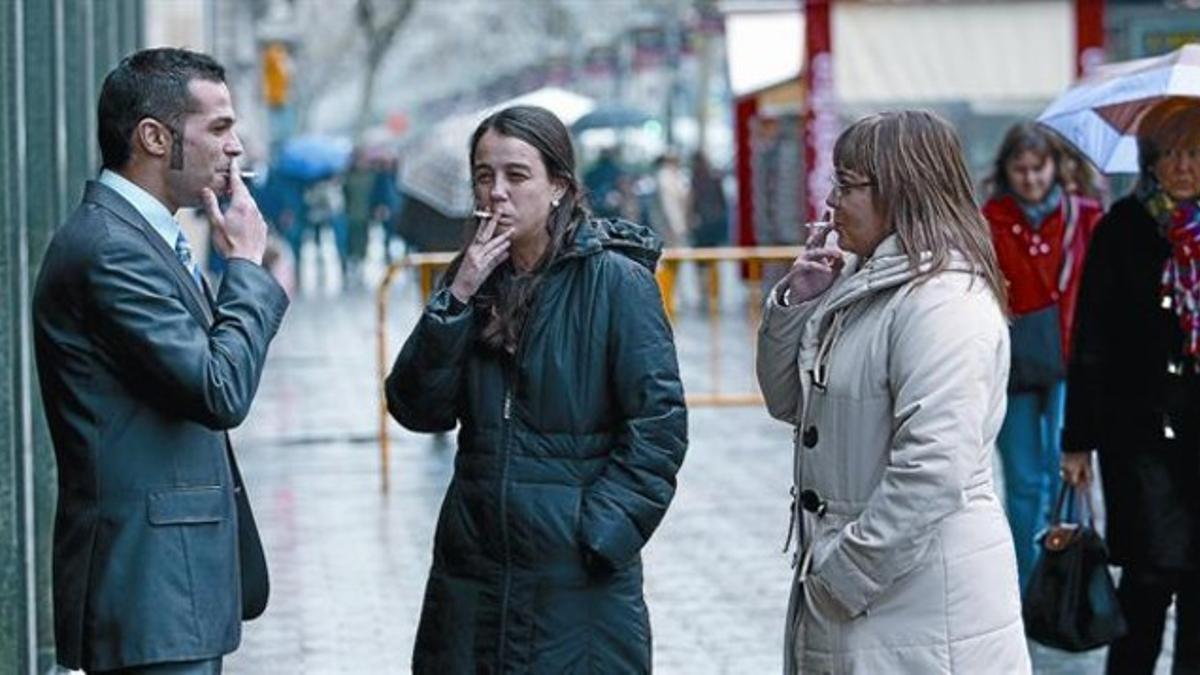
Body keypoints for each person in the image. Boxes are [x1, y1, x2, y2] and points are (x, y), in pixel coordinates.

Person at [386, 105, 687, 673]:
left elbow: (660, 428)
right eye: (483, 175)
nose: (496, 192)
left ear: (558, 188)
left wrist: (600, 533)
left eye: (516, 175)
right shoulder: (469, 279)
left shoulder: (616, 283)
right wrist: (455, 301)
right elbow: (415, 408)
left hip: (575, 578)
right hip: (474, 570)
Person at [32, 48, 289, 674]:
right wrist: (247, 273)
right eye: (220, 128)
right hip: (147, 593)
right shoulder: (110, 249)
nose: (236, 148)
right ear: (153, 137)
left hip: (173, 595)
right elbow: (218, 388)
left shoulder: (144, 238)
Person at [757, 110, 1029, 673]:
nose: (831, 201)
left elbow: (934, 466)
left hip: (921, 599)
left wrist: (846, 572)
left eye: (848, 185)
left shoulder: (943, 300)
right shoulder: (866, 286)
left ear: (902, 188)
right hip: (873, 596)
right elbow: (789, 402)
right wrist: (798, 303)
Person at [1060, 98, 1200, 674]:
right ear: (1149, 160)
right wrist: (1077, 440)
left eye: (1194, 153)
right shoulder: (1122, 228)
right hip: (1138, 433)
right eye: (1170, 155)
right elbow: (1091, 338)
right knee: (1147, 578)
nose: (1184, 167)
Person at [981, 122, 1102, 593]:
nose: (1030, 178)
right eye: (1020, 168)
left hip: (1072, 361)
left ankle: (1065, 578)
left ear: (1055, 166)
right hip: (1012, 364)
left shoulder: (1084, 216)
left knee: (1065, 471)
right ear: (1006, 171)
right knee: (1024, 480)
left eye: (1038, 167)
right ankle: (1028, 584)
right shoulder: (988, 219)